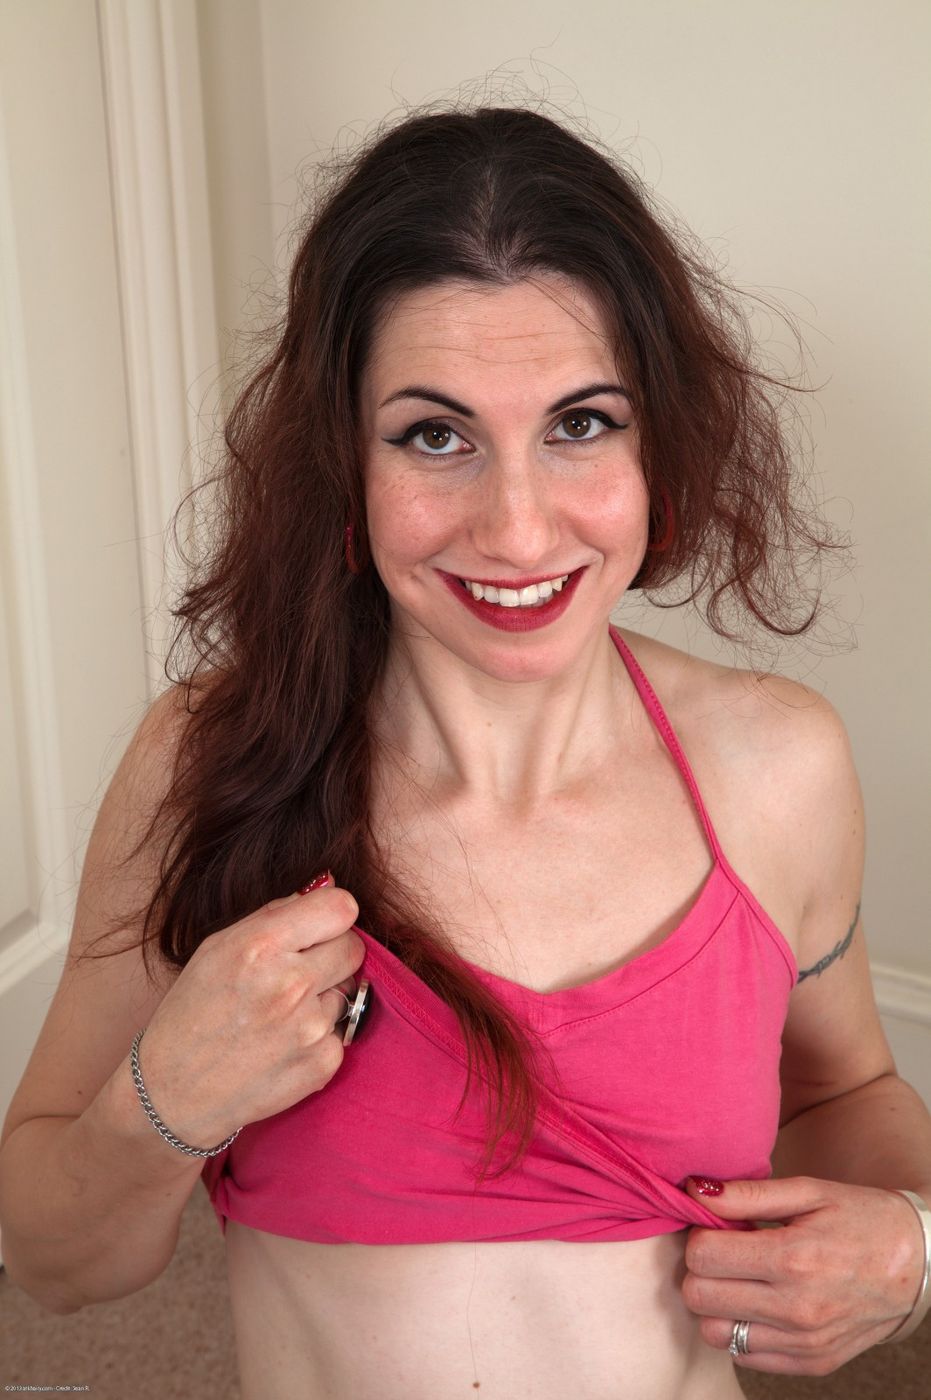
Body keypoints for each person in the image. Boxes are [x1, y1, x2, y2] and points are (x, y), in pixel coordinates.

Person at [0, 102, 929, 1400]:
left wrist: (913, 1245)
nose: (518, 527)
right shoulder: (209, 765)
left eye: (580, 424)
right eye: (435, 436)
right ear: (342, 464)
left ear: (657, 444)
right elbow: (54, 1266)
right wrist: (165, 1099)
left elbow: (846, 1091)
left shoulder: (779, 766)